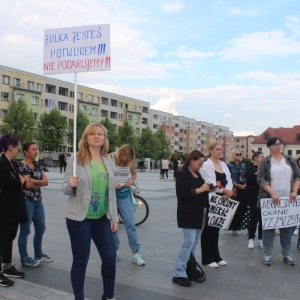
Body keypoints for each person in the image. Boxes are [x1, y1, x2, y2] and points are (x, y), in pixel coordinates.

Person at [62, 123, 118, 300]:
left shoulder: (108, 160)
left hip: (101, 217)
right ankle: (79, 297)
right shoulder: (76, 159)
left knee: (110, 257)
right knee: (81, 260)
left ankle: (108, 296)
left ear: (104, 138)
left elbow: (111, 192)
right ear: (86, 138)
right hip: (80, 218)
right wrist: (70, 184)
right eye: (92, 134)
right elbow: (64, 188)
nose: (96, 136)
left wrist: (114, 217)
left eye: (100, 134)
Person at [257, 137, 300, 266]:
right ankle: (267, 254)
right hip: (270, 199)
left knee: (287, 228)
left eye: (279, 144)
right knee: (268, 228)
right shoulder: (265, 161)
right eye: (275, 144)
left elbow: (298, 176)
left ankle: (287, 254)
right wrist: (272, 193)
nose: (278, 146)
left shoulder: (289, 159)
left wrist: (294, 191)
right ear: (269, 146)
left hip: (288, 199)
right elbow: (260, 179)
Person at [172, 150, 210, 287]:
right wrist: (200, 189)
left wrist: (208, 188)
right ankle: (179, 272)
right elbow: (182, 194)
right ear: (192, 160)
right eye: (199, 163)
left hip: (201, 211)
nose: (201, 166)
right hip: (189, 213)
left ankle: (190, 268)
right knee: (188, 242)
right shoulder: (183, 175)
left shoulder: (198, 174)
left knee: (194, 243)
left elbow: (201, 188)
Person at [109, 144, 145, 266]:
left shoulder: (130, 161)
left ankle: (135, 253)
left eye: (128, 158)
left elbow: (134, 174)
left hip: (124, 194)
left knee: (130, 224)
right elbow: (104, 175)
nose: (125, 159)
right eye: (123, 157)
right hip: (111, 194)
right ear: (120, 153)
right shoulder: (110, 158)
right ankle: (115, 250)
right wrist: (113, 184)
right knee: (112, 224)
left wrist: (131, 180)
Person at [200, 142, 233, 268]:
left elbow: (229, 180)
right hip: (211, 198)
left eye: (221, 149)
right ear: (210, 150)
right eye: (217, 149)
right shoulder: (206, 165)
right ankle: (207, 258)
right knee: (208, 228)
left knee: (216, 228)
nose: (220, 151)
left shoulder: (223, 164)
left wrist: (228, 192)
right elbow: (211, 182)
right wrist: (225, 190)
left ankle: (216, 255)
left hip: (223, 199)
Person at [18, 142, 51, 267]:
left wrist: (34, 181)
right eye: (33, 149)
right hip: (27, 201)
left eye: (37, 149)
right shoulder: (21, 166)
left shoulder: (38, 164)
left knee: (41, 228)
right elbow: (27, 185)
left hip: (38, 200)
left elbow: (46, 182)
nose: (36, 151)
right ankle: (24, 257)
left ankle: (38, 253)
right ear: (26, 151)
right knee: (25, 230)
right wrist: (38, 182)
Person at [0, 135, 27, 287]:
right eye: (18, 148)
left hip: (14, 207)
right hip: (4, 208)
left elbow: (19, 183)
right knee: (2, 239)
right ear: (11, 148)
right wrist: (21, 181)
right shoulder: (2, 164)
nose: (18, 150)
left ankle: (7, 266)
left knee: (9, 237)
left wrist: (20, 182)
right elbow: (15, 184)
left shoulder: (13, 164)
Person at [245, 150, 264, 249]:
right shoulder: (249, 167)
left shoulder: (265, 167)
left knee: (262, 218)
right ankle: (251, 238)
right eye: (261, 157)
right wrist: (257, 174)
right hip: (252, 195)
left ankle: (261, 239)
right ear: (256, 158)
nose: (263, 159)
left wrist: (257, 174)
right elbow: (249, 177)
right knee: (254, 217)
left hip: (263, 195)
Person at [227, 150, 248, 235]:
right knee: (235, 209)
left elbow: (246, 176)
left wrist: (246, 184)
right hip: (234, 189)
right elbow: (228, 177)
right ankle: (234, 228)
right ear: (233, 155)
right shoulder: (229, 166)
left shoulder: (243, 165)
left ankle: (246, 227)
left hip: (244, 188)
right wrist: (236, 185)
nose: (239, 155)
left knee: (244, 208)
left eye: (240, 154)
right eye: (237, 154)